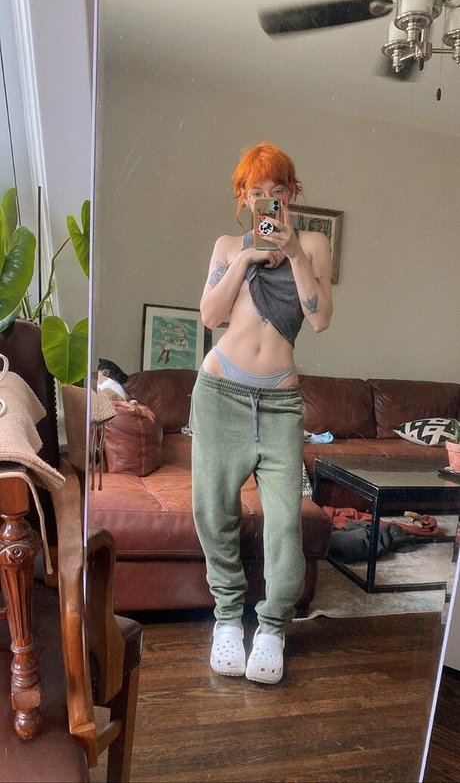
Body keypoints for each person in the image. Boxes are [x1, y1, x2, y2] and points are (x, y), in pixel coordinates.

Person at [190, 141, 333, 684]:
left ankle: (272, 627)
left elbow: (319, 319)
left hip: (279, 401)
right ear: (244, 199)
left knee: (285, 521)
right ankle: (228, 619)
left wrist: (293, 254)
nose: (268, 200)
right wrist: (245, 259)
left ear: (292, 194)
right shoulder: (228, 246)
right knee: (214, 510)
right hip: (220, 391)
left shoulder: (313, 245)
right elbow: (210, 315)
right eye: (257, 193)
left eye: (278, 191)